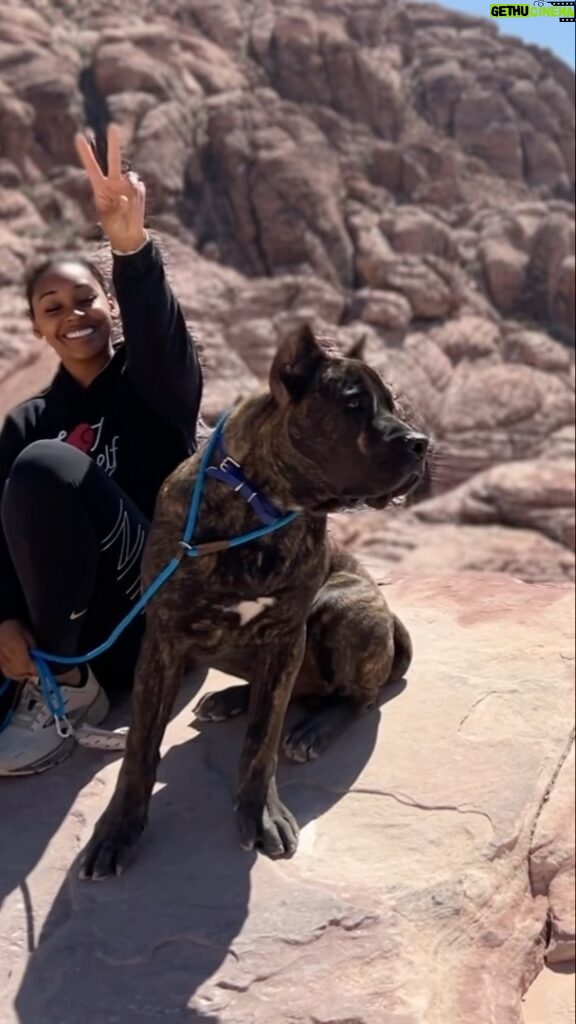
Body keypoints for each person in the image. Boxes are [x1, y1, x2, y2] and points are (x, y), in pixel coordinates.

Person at [0, 125, 202, 775]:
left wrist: (129, 246)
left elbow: (162, 338)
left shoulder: (153, 386)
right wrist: (3, 620)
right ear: (38, 327)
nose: (72, 315)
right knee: (36, 463)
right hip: (71, 627)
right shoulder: (29, 419)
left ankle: (68, 690)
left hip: (154, 618)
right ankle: (46, 671)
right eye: (52, 306)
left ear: (109, 305)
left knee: (49, 468)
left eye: (85, 298)